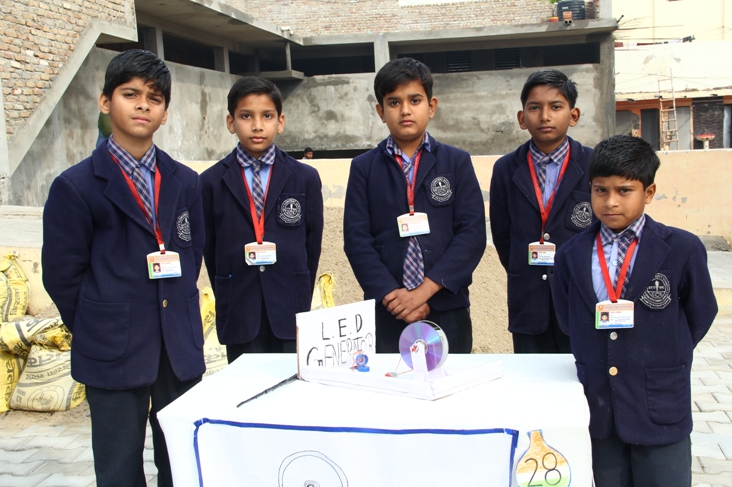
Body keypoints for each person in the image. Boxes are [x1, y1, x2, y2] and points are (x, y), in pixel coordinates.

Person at [42, 49, 206, 487]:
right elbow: (62, 274)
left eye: (154, 98)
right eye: (130, 94)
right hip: (112, 346)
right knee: (118, 468)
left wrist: (171, 307)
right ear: (105, 102)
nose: (142, 105)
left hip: (177, 344)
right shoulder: (75, 186)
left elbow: (192, 253)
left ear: (164, 113)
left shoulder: (185, 181)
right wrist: (99, 323)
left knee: (183, 462)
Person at [552, 135, 717, 487]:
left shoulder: (682, 248)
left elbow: (700, 313)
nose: (611, 202)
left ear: (649, 192)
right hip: (599, 406)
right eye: (601, 190)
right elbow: (568, 318)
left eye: (624, 191)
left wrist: (662, 349)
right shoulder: (570, 254)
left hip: (659, 403)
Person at [344, 58, 486, 354]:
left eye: (415, 100)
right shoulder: (364, 168)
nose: (405, 110)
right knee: (390, 380)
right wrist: (392, 296)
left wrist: (423, 292)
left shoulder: (456, 162)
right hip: (388, 309)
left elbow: (471, 234)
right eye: (394, 102)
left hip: (447, 305)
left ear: (431, 106)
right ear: (381, 112)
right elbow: (357, 240)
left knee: (449, 379)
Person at [201, 76, 323, 363]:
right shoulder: (210, 182)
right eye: (246, 116)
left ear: (280, 122)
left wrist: (300, 292)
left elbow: (311, 246)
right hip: (239, 306)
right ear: (230, 122)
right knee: (246, 384)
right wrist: (227, 293)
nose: (257, 126)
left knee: (291, 383)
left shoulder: (304, 178)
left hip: (289, 305)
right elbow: (211, 251)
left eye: (267, 116)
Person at [489, 69, 593, 354]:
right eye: (534, 108)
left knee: (580, 376)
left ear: (573, 115)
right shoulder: (506, 169)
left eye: (556, 107)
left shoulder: (594, 164)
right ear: (522, 118)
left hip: (581, 299)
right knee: (531, 376)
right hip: (528, 300)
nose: (545, 116)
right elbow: (503, 235)